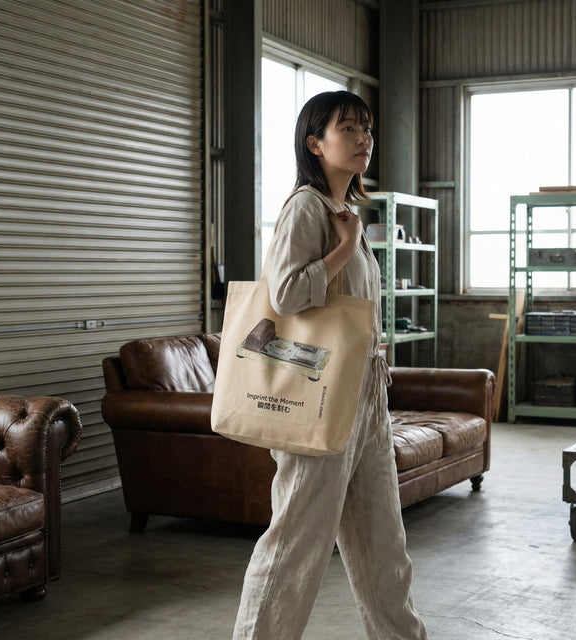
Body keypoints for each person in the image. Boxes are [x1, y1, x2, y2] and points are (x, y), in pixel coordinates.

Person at [232, 90, 428, 640]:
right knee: (294, 543)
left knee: (384, 543)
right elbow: (287, 295)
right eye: (349, 129)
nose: (364, 138)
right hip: (319, 397)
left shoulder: (346, 213)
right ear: (315, 143)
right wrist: (344, 248)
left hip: (366, 394)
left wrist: (350, 237)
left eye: (367, 128)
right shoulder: (306, 208)